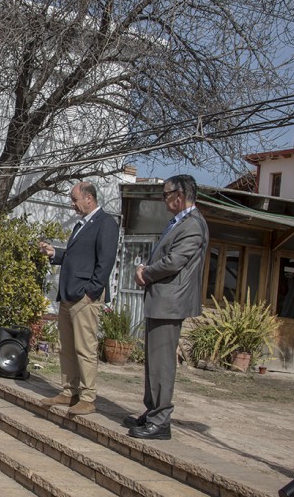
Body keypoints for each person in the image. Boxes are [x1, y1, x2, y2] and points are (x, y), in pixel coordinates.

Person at [129, 175, 209, 440]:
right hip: (160, 301)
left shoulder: (193, 225)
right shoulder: (178, 223)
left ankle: (161, 420)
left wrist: (146, 273)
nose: (164, 200)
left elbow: (174, 261)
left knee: (162, 363)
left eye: (166, 195)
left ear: (181, 194)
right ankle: (153, 411)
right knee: (153, 362)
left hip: (170, 303)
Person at [37, 181, 120, 417]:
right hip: (68, 294)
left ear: (88, 199)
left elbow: (105, 263)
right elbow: (78, 258)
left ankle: (87, 396)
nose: (72, 204)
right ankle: (68, 391)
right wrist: (55, 253)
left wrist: (91, 291)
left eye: (75, 199)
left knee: (85, 347)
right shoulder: (81, 225)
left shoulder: (105, 224)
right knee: (66, 347)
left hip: (84, 296)